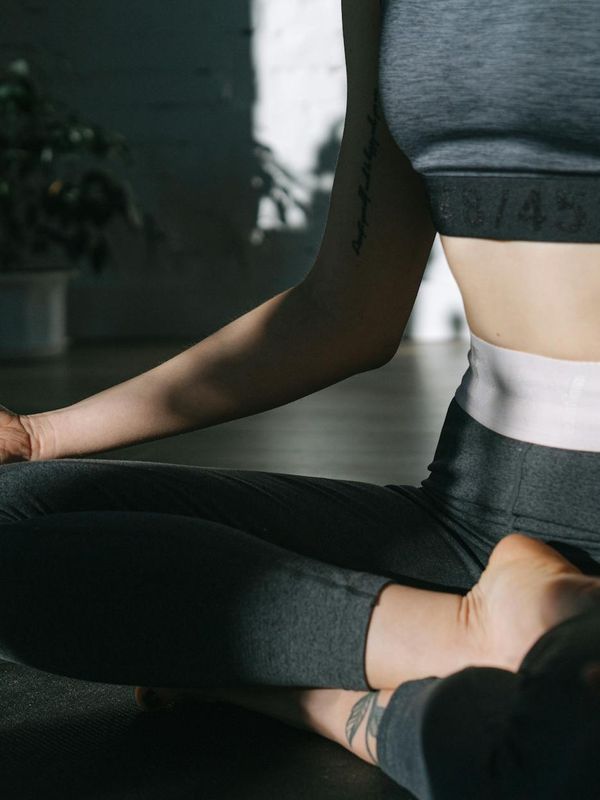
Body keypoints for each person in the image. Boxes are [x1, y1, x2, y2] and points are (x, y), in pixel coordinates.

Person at [1, 1, 600, 797]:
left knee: (553, 756)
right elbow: (347, 309)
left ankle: (333, 685)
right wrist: (40, 436)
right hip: (476, 522)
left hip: (529, 565)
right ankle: (480, 642)